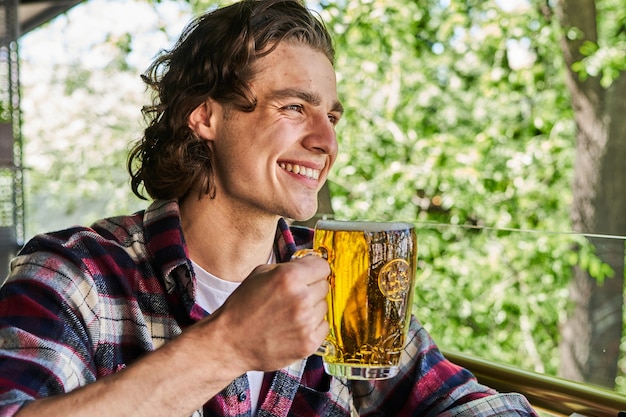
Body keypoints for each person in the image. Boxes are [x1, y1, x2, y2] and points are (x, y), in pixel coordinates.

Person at [0, 0, 539, 415]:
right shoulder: (76, 275)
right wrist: (228, 346)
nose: (325, 140)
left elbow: (471, 404)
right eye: (294, 107)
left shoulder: (340, 279)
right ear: (205, 117)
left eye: (332, 116)